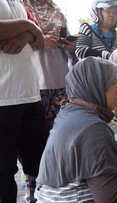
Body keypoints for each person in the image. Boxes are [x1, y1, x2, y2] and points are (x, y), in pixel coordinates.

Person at [35, 57, 117, 202]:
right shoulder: (94, 128)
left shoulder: (69, 112)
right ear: (96, 87)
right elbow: (110, 196)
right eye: (113, 84)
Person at [0, 1, 49, 203]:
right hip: (2, 98)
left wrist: (29, 32)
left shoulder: (19, 2)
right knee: (3, 173)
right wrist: (29, 27)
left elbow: (41, 41)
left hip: (30, 94)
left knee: (42, 165)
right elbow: (34, 27)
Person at [24, 0, 78, 131]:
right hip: (33, 82)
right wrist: (37, 41)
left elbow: (69, 51)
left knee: (60, 130)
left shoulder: (57, 12)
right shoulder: (20, 9)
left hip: (61, 81)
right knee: (34, 134)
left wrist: (70, 48)